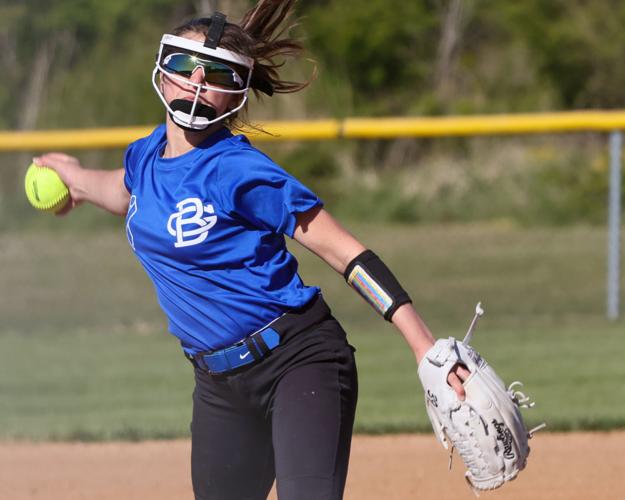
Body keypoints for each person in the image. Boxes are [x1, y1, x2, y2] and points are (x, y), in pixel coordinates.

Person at [35, 1, 468, 499]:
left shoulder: (238, 170)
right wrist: (75, 181)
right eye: (185, 66)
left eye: (216, 73)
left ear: (236, 93)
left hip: (298, 360)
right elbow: (123, 191)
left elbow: (347, 254)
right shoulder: (146, 155)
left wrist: (425, 347)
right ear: (162, 69)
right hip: (218, 385)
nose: (197, 82)